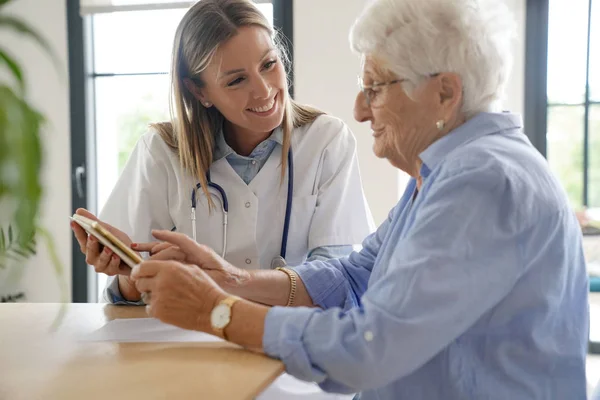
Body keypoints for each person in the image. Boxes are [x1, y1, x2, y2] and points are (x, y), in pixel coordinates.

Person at [127, 0, 590, 398]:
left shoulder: (484, 181)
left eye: (375, 87)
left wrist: (218, 311)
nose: (359, 109)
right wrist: (230, 278)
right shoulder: (448, 170)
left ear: (445, 93)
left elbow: (371, 347)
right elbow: (355, 274)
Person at [70, 0, 374, 306]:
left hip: (289, 336)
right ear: (199, 92)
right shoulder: (161, 151)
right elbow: (130, 299)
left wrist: (221, 281)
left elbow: (335, 284)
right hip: (188, 340)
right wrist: (127, 275)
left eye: (269, 64)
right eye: (237, 80)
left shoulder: (326, 140)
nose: (264, 91)